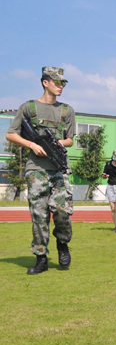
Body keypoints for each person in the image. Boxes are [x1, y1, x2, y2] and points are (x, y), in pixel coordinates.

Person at [5, 66, 75, 275]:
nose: (61, 86)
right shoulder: (28, 108)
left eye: (63, 83)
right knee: (39, 214)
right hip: (36, 169)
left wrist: (57, 144)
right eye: (57, 82)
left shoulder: (67, 110)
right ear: (46, 82)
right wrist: (33, 145)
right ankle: (41, 257)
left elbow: (70, 139)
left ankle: (62, 243)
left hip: (59, 167)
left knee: (62, 211)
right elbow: (11, 134)